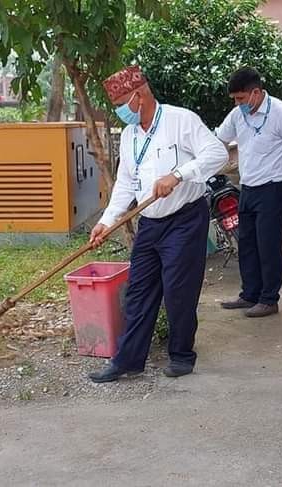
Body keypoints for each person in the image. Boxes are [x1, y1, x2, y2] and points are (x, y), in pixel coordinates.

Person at [87, 65, 228, 382]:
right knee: (138, 290)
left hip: (185, 218)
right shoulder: (129, 135)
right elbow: (125, 183)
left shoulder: (181, 120)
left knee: (179, 290)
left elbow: (217, 154)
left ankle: (181, 355)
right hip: (150, 223)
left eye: (122, 104)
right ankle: (128, 360)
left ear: (139, 95)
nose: (120, 112)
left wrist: (178, 174)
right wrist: (106, 221)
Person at [215, 67, 282, 318]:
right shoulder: (238, 114)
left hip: (273, 188)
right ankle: (250, 294)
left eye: (240, 99)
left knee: (268, 246)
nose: (238, 104)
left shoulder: (281, 112)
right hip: (248, 187)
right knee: (246, 243)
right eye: (235, 100)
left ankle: (269, 299)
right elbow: (219, 140)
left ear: (256, 93)